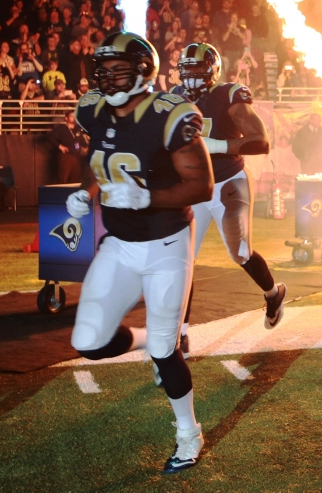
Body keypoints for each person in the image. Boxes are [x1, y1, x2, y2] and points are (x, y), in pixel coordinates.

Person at [66, 31, 212, 473]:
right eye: (103, 72)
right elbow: (102, 159)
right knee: (88, 342)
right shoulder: (93, 110)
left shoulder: (170, 115)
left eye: (119, 71)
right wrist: (87, 192)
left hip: (166, 243)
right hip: (120, 244)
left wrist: (147, 198)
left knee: (168, 353)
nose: (109, 80)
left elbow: (201, 185)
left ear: (143, 72)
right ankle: (150, 341)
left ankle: (188, 433)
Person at [174, 43, 283, 357]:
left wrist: (217, 145)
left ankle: (273, 294)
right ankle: (180, 333)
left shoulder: (226, 97)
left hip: (228, 181)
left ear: (211, 71)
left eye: (198, 71)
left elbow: (261, 142)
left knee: (239, 251)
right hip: (193, 184)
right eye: (187, 71)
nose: (191, 78)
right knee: (181, 259)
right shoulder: (173, 98)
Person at [47, 109, 88, 184]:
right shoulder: (61, 129)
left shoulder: (78, 130)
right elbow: (50, 137)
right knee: (62, 179)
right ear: (66, 118)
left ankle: (72, 195)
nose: (74, 118)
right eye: (72, 116)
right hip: (66, 157)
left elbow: (82, 142)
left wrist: (87, 147)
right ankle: (59, 194)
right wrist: (60, 146)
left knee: (75, 181)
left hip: (76, 158)